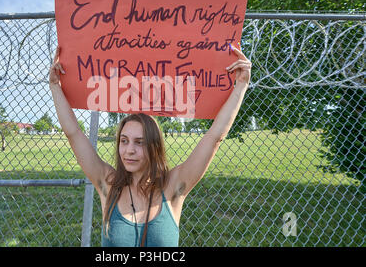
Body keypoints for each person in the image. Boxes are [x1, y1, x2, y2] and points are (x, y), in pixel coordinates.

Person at [49, 43, 251, 247]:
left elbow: (214, 137)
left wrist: (241, 86)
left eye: (140, 142)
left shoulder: (173, 186)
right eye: (124, 141)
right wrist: (55, 87)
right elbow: (73, 133)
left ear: (154, 147)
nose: (129, 150)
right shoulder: (108, 185)